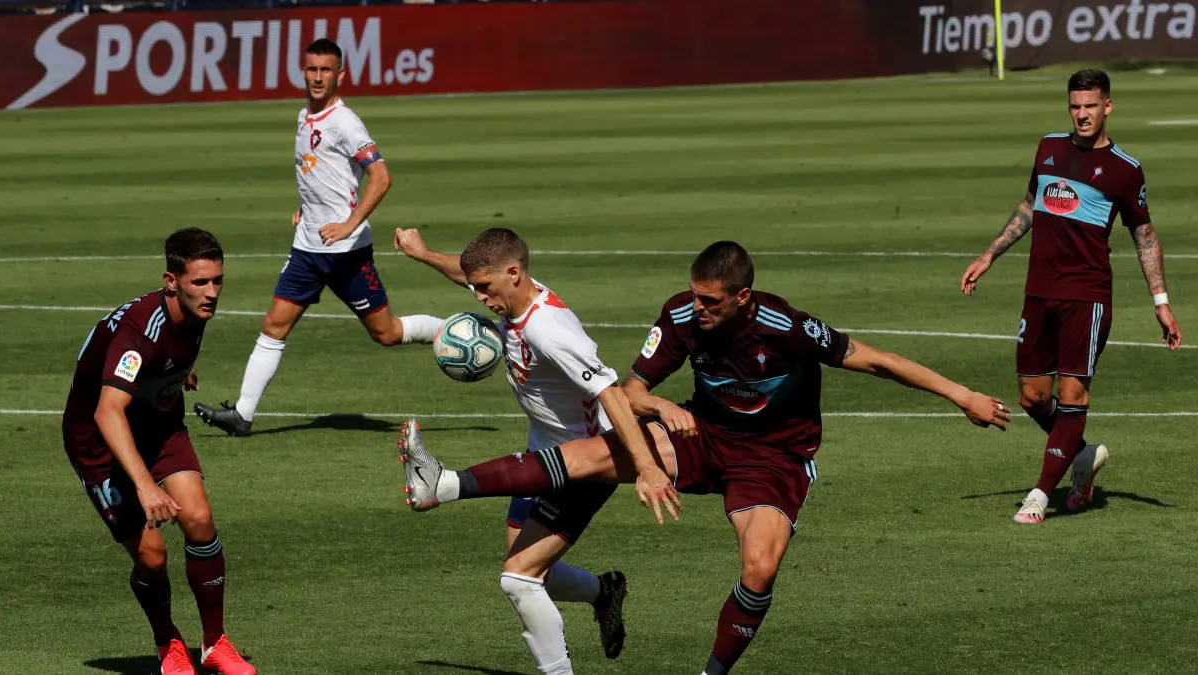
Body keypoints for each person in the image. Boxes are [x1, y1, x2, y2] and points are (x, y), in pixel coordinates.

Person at [400, 241, 1009, 674]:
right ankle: (444, 482)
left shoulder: (786, 327)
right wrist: (663, 408)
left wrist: (962, 394)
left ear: (742, 297)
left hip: (773, 458)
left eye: (711, 302)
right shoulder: (681, 316)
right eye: (694, 297)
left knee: (759, 569)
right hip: (704, 435)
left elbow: (875, 360)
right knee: (587, 455)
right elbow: (632, 390)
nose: (698, 310)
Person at [395, 226, 665, 675]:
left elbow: (612, 393)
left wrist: (645, 467)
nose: (478, 297)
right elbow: (465, 275)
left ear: (514, 274)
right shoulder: (511, 293)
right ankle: (604, 592)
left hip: (582, 463)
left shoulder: (548, 329)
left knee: (519, 580)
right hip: (542, 452)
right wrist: (422, 254)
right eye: (476, 287)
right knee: (532, 571)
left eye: (485, 288)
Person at [960, 69, 1183, 524]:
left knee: (1072, 392)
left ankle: (1040, 495)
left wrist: (1160, 301)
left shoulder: (1124, 169)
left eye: (1090, 106)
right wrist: (990, 254)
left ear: (1108, 107)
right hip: (1039, 292)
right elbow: (1029, 204)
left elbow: (1144, 235)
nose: (1082, 114)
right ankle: (1082, 456)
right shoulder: (1048, 147)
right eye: (1075, 106)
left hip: (1088, 295)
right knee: (1032, 397)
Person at [194, 38, 442, 436]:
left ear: (340, 74)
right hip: (308, 250)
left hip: (346, 254)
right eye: (312, 69)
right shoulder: (303, 116)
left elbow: (381, 177)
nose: (318, 77)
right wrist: (306, 208)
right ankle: (242, 415)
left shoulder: (345, 122)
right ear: (303, 71)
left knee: (387, 333)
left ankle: (448, 330)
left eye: (326, 70)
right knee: (274, 326)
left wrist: (349, 223)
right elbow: (319, 172)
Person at [63, 229, 254, 675]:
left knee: (200, 520)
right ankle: (167, 641)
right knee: (152, 556)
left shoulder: (191, 314)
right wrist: (146, 487)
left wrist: (177, 371)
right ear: (171, 281)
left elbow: (163, 352)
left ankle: (214, 644)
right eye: (200, 283)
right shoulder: (139, 333)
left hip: (158, 423)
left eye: (218, 281)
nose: (212, 293)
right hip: (99, 441)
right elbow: (107, 412)